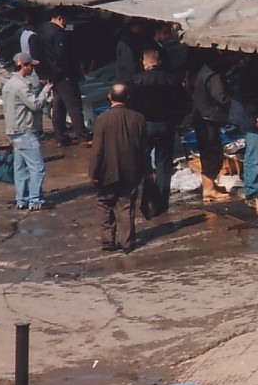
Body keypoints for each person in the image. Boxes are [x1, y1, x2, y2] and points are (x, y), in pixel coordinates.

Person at [89, 84, 150, 253]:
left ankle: (108, 240)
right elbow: (144, 147)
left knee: (104, 204)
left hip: (107, 171)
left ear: (110, 97)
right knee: (126, 205)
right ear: (128, 98)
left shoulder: (102, 119)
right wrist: (146, 169)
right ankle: (127, 241)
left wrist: (93, 172)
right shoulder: (138, 118)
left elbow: (98, 149)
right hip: (131, 169)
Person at [129, 48, 189, 211]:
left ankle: (144, 197)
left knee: (142, 161)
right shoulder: (172, 80)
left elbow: (130, 104)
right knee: (164, 164)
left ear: (144, 63)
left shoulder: (137, 80)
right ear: (159, 62)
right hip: (166, 125)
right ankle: (161, 201)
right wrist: (177, 120)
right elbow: (184, 102)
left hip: (144, 126)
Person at [2, 53, 54, 211]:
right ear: (22, 65)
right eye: (31, 65)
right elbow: (35, 105)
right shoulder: (21, 86)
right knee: (37, 167)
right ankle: (36, 201)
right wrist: (45, 91)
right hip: (25, 130)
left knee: (21, 168)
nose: (33, 68)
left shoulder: (9, 84)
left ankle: (22, 199)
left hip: (14, 130)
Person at [38, 8, 91, 147]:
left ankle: (60, 136)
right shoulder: (58, 33)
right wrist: (66, 73)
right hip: (63, 75)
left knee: (58, 105)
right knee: (73, 105)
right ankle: (82, 136)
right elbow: (61, 55)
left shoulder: (42, 30)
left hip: (53, 74)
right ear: (60, 18)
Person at [190, 55, 232, 203]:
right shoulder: (213, 75)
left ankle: (210, 186)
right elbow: (220, 96)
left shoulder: (204, 71)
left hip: (202, 115)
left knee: (207, 152)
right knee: (212, 152)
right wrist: (234, 104)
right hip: (208, 117)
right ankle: (209, 189)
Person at [228, 56, 258, 206]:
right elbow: (250, 98)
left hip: (247, 116)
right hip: (249, 117)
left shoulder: (251, 70)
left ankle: (252, 189)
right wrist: (257, 116)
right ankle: (252, 192)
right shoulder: (252, 72)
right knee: (256, 156)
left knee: (252, 155)